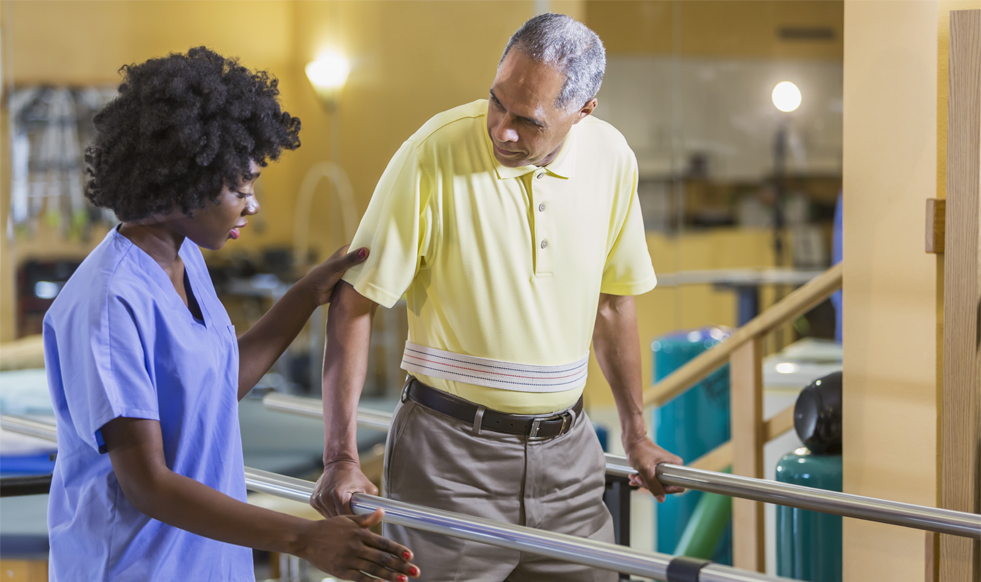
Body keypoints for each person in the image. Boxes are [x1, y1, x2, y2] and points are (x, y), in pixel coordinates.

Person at [310, 14, 682, 581]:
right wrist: (340, 456)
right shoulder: (433, 151)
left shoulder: (612, 159)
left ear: (584, 111)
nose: (502, 130)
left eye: (527, 121)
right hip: (448, 461)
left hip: (570, 465)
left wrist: (636, 434)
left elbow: (613, 304)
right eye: (496, 103)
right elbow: (355, 302)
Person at [42, 47, 419, 582]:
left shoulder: (184, 257)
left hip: (206, 561)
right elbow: (146, 482)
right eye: (239, 187)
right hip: (135, 567)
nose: (253, 203)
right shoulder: (110, 302)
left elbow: (212, 386)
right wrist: (303, 538)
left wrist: (305, 294)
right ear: (181, 184)